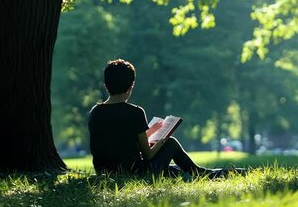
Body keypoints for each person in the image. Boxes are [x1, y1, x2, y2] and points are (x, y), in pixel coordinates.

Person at [88, 59, 234, 178]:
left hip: (106, 174)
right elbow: (148, 154)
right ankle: (204, 174)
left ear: (106, 86)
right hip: (138, 174)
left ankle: (209, 174)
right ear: (130, 87)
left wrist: (150, 132)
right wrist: (162, 141)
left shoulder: (95, 112)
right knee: (171, 144)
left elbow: (120, 142)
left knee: (175, 170)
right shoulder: (135, 112)